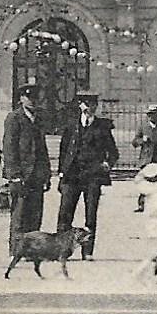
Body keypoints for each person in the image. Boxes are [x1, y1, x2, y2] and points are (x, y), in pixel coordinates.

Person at [56, 91, 119, 258]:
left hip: (93, 176)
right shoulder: (71, 125)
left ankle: (87, 251)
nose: (89, 108)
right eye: (86, 104)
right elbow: (64, 150)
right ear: (80, 105)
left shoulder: (103, 127)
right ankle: (63, 249)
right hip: (72, 175)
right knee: (65, 212)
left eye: (93, 104)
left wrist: (107, 163)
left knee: (90, 215)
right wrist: (61, 174)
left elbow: (113, 152)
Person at [2, 82, 51, 251]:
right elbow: (9, 148)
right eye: (28, 97)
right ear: (21, 98)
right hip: (21, 175)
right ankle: (16, 249)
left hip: (36, 175)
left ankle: (32, 249)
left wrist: (47, 174)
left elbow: (42, 149)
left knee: (35, 214)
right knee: (19, 214)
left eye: (35, 97)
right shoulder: (14, 118)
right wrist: (13, 174)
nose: (32, 101)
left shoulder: (39, 119)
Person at [131, 105, 157, 211]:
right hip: (146, 159)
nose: (155, 117)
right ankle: (142, 204)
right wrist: (142, 140)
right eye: (152, 115)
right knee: (145, 181)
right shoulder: (143, 127)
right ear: (148, 116)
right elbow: (134, 142)